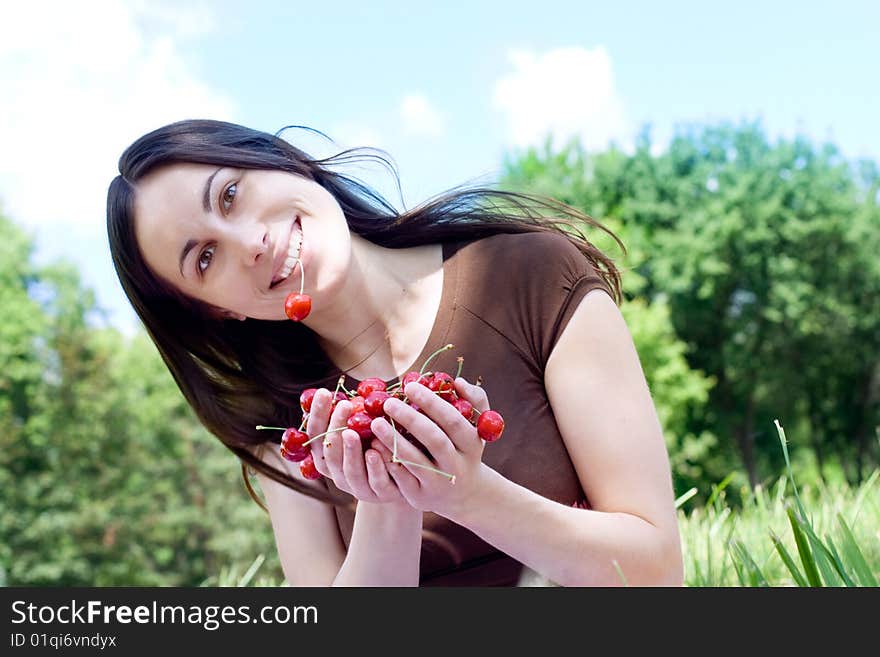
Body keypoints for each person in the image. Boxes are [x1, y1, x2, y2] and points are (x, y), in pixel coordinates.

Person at [107, 119, 684, 587]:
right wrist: (388, 500)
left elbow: (656, 573)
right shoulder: (288, 432)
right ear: (215, 311)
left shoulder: (529, 272)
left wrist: (471, 493)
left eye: (231, 194)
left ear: (283, 161)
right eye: (204, 258)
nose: (250, 244)